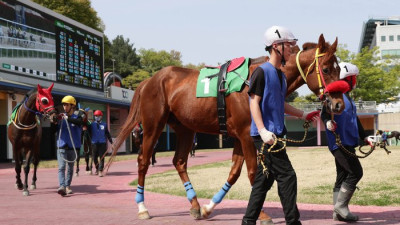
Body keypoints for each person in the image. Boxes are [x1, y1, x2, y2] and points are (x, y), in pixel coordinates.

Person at [242, 25, 320, 225]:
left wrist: (303, 114)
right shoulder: (261, 72)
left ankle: (248, 221)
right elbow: (254, 103)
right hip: (266, 136)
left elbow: (280, 103)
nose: (292, 50)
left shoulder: (280, 75)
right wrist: (262, 130)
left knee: (263, 181)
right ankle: (293, 222)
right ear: (276, 46)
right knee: (288, 176)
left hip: (276, 134)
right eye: (289, 46)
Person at [321, 62, 369, 222]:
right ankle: (341, 206)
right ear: (348, 79)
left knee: (342, 175)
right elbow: (324, 113)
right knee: (356, 172)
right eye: (353, 78)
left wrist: (365, 137)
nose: (355, 82)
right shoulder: (334, 95)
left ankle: (337, 213)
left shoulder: (348, 97)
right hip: (338, 143)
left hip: (348, 143)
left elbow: (355, 120)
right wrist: (327, 121)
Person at [56, 95, 86, 196]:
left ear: (72, 106)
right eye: (63, 105)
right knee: (61, 167)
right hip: (61, 146)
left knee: (70, 167)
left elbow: (80, 122)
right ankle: (62, 186)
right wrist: (55, 120)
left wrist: (68, 118)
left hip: (73, 147)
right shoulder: (60, 117)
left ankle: (68, 185)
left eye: (67, 105)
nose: (65, 107)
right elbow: (54, 127)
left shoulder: (78, 116)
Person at [90, 110, 113, 177]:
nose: (97, 117)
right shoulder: (92, 125)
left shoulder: (104, 124)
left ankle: (100, 170)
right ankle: (97, 168)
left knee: (102, 157)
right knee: (94, 157)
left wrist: (111, 142)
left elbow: (107, 134)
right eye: (96, 116)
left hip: (102, 143)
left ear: (101, 117)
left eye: (98, 116)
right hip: (94, 143)